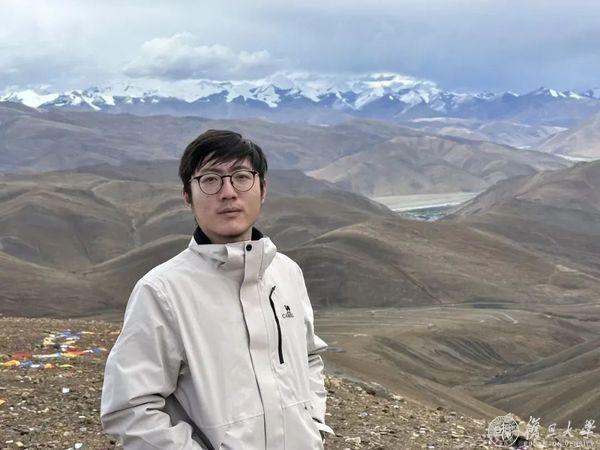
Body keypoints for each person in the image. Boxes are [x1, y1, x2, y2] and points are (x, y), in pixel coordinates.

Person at [100, 129, 333, 449]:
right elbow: (130, 408)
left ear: (263, 189)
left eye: (241, 177)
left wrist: (313, 424)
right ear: (187, 196)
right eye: (210, 179)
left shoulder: (287, 273)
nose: (228, 192)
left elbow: (308, 358)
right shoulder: (162, 292)